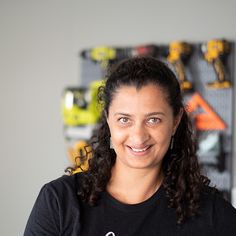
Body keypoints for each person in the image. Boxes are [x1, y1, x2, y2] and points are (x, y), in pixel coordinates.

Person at [24, 57, 236, 236]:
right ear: (108, 119)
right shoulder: (60, 201)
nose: (138, 136)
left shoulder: (211, 213)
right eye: (124, 119)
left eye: (153, 120)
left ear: (176, 121)